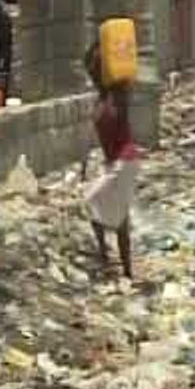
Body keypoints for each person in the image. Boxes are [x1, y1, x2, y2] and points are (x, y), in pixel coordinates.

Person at [82, 40, 137, 279]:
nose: (93, 75)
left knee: (96, 203)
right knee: (109, 212)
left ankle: (116, 265)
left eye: (97, 70)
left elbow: (124, 80)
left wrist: (115, 53)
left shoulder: (118, 95)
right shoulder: (101, 98)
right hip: (113, 162)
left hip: (125, 161)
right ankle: (117, 264)